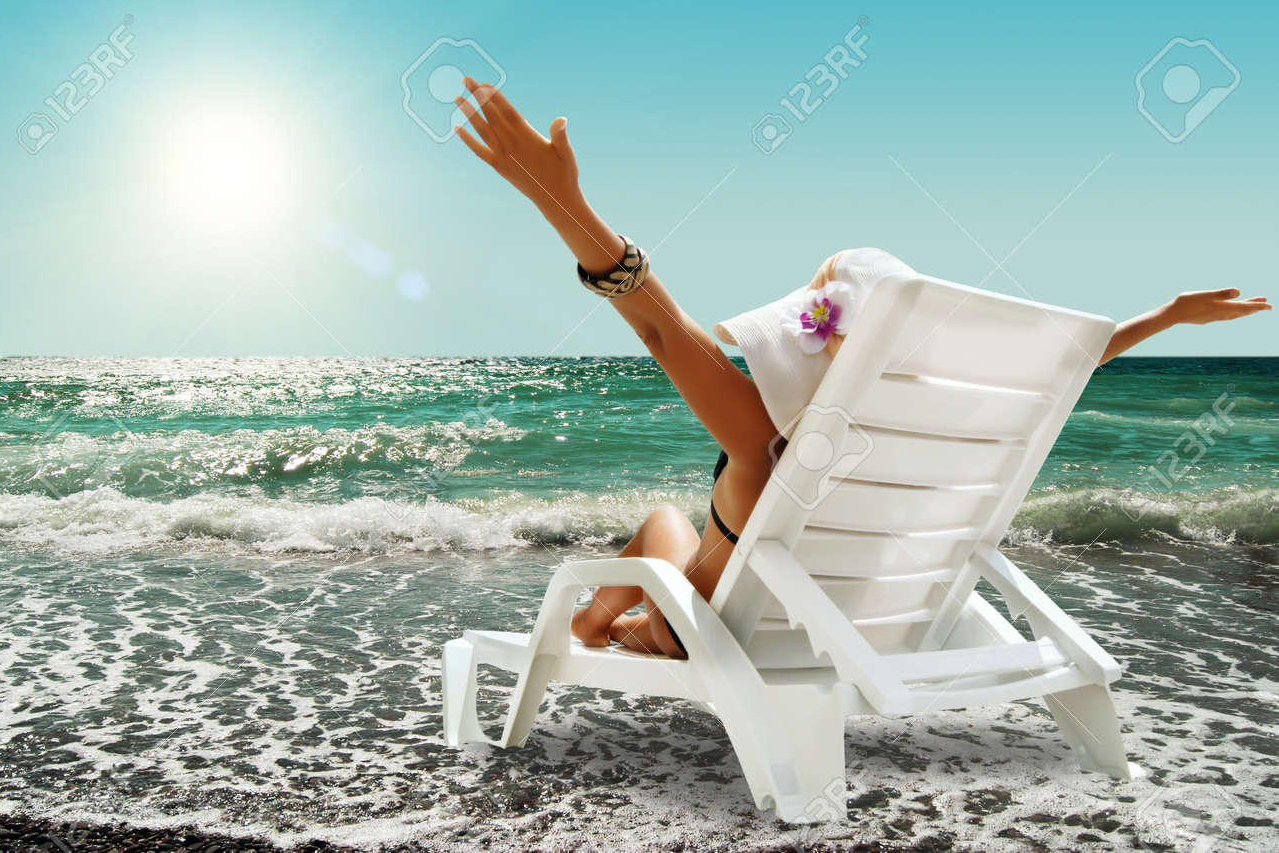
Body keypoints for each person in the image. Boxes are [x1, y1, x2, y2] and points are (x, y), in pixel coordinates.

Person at [451, 78, 1271, 659]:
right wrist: (1160, 320)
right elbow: (1048, 369)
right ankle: (597, 631)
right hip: (830, 630)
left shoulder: (770, 451)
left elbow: (663, 332)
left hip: (699, 634)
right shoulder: (929, 441)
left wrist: (559, 201)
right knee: (669, 525)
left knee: (660, 530)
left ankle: (589, 637)